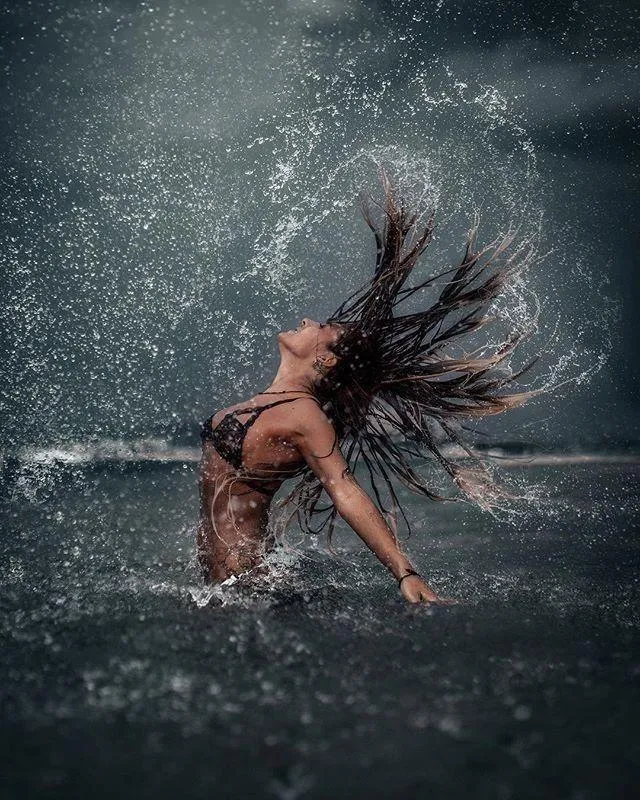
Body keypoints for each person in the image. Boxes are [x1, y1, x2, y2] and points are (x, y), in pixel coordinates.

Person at [197, 175, 539, 604]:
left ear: (326, 359)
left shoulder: (304, 416)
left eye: (319, 327)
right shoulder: (271, 401)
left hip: (246, 590)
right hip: (224, 589)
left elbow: (344, 489)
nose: (307, 320)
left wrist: (405, 573)